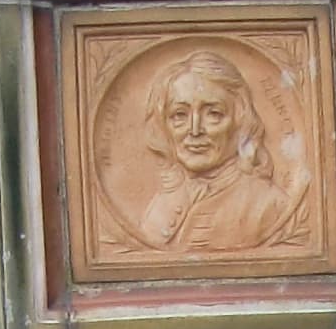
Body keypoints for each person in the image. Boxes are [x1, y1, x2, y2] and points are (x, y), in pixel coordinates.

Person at [117, 47, 313, 256]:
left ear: (240, 121)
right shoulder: (160, 204)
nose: (194, 130)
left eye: (214, 114)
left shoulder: (269, 206)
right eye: (179, 115)